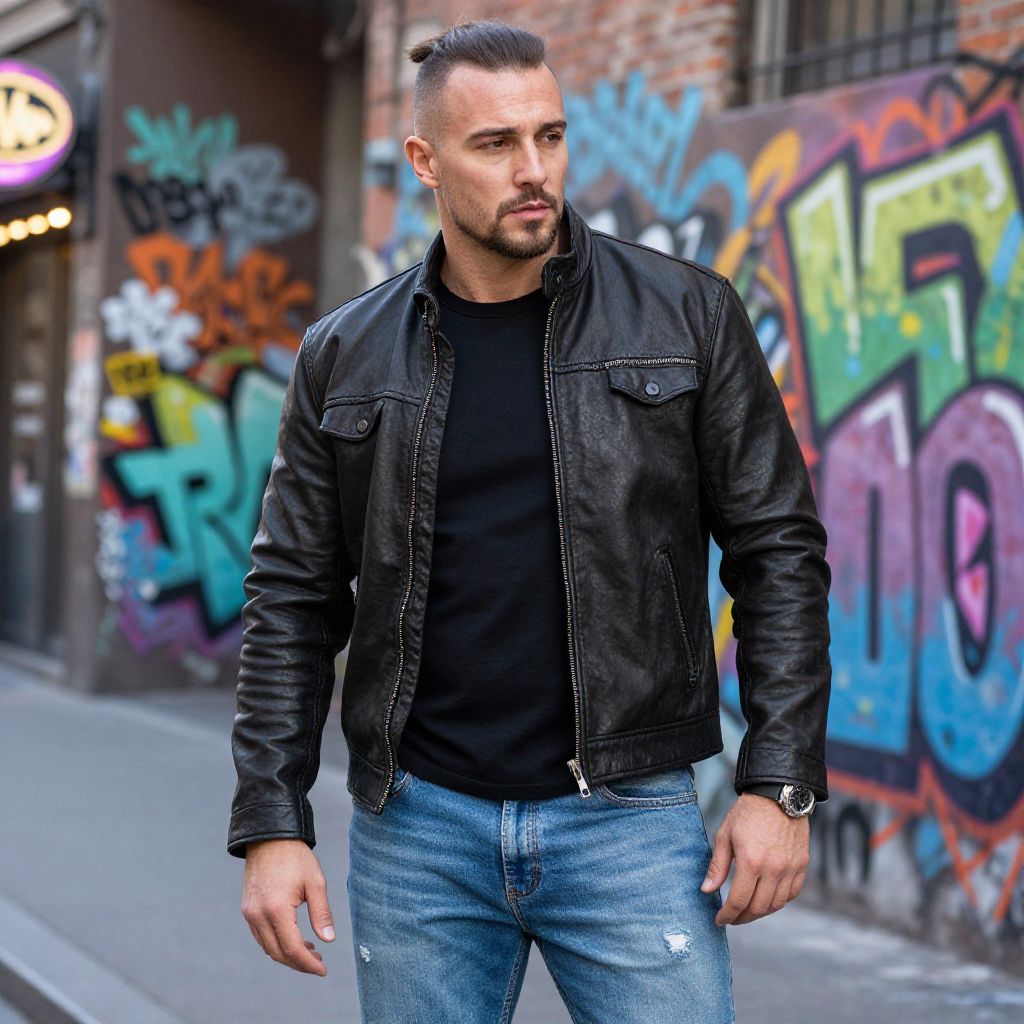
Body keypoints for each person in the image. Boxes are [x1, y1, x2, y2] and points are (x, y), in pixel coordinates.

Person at [228, 18, 831, 1024]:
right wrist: (270, 821)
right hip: (417, 827)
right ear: (425, 160)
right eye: (494, 143)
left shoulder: (685, 313)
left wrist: (780, 782)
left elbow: (779, 551)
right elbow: (291, 594)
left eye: (548, 136)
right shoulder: (346, 352)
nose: (533, 170)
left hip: (629, 819)